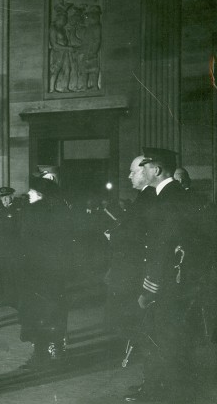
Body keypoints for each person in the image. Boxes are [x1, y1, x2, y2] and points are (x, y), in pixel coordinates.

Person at [123, 148, 197, 403]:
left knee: (163, 337)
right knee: (162, 336)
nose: (140, 172)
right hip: (169, 280)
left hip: (165, 282)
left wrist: (150, 288)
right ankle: (157, 387)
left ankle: (161, 392)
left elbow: (164, 246)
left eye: (143, 166)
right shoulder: (166, 194)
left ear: (155, 170)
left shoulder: (168, 197)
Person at [17, 168, 74, 368]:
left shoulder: (32, 212)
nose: (29, 195)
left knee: (37, 313)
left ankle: (40, 354)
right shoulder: (62, 210)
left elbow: (24, 242)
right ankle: (56, 350)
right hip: (55, 272)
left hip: (36, 272)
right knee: (54, 310)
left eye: (32, 192)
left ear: (40, 195)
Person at [104, 156, 155, 344]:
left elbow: (137, 234)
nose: (129, 176)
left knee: (133, 317)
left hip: (136, 267)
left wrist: (114, 236)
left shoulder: (148, 197)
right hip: (133, 265)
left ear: (145, 172)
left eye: (133, 172)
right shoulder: (144, 197)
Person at [0, 187, 21, 308]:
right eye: (1, 197)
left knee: (15, 274)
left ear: (12, 197)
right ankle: (8, 297)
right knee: (4, 275)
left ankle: (17, 299)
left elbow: (19, 231)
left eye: (6, 197)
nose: (3, 200)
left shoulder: (18, 210)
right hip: (2, 248)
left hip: (14, 249)